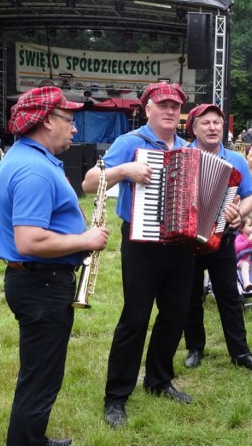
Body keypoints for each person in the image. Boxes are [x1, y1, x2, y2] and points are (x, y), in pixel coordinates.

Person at [0, 86, 109, 446]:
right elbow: (30, 241)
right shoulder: (34, 171)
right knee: (40, 380)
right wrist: (86, 240)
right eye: (70, 120)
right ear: (46, 121)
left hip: (36, 283)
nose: (74, 129)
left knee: (39, 375)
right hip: (42, 285)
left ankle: (33, 439)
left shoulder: (25, 158)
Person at [82, 82, 195, 429]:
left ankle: (159, 380)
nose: (170, 111)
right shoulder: (130, 143)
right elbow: (89, 182)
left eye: (176, 106)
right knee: (135, 318)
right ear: (147, 109)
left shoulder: (189, 150)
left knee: (175, 316)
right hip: (142, 243)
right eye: (163, 105)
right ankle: (116, 396)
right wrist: (123, 172)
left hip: (182, 245)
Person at [182, 104, 252, 376]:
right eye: (206, 123)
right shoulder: (182, 155)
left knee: (229, 296)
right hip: (186, 238)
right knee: (191, 295)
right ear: (194, 128)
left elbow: (249, 195)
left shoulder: (236, 159)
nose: (212, 127)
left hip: (222, 236)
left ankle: (240, 352)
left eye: (217, 123)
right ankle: (195, 347)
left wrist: (238, 215)